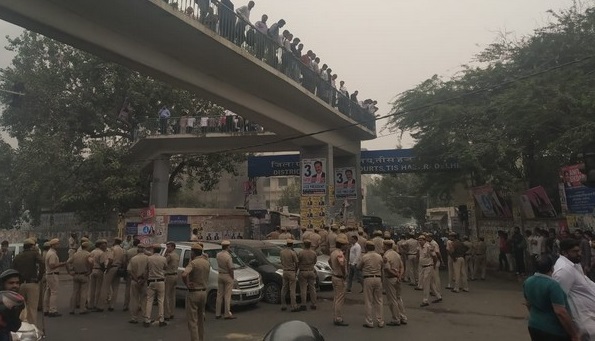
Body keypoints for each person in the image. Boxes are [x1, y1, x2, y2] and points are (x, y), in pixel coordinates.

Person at [524, 255, 579, 341]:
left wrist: (537, 317)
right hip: (553, 330)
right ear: (552, 268)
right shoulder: (553, 285)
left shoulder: (528, 281)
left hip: (534, 325)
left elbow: (528, 304)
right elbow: (560, 312)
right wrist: (574, 334)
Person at [553, 239, 595, 339]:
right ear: (564, 252)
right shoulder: (563, 270)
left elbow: (586, 283)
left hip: (590, 316)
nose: (579, 254)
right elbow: (559, 303)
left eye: (579, 250)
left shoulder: (574, 264)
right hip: (583, 321)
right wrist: (573, 332)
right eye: (575, 251)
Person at [182, 243, 210, 341]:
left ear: (193, 252)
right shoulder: (207, 262)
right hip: (204, 292)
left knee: (193, 321)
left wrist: (187, 284)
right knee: (201, 319)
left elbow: (184, 274)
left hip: (194, 293)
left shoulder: (193, 263)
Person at [11, 239, 43, 325]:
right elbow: (42, 262)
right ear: (32, 246)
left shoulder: (18, 256)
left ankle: (21, 327)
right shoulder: (34, 254)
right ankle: (32, 328)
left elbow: (13, 270)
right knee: (32, 308)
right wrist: (39, 277)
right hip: (32, 282)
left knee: (21, 308)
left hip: (20, 284)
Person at [358, 241, 384, 328]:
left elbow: (359, 267)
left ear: (366, 248)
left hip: (368, 278)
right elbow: (382, 266)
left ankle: (369, 321)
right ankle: (380, 321)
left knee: (368, 301)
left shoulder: (364, 257)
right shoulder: (379, 256)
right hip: (378, 278)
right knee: (379, 301)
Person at [382, 239, 407, 326]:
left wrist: (395, 275)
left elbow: (387, 269)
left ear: (386, 246)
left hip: (390, 278)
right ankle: (403, 317)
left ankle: (396, 319)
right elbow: (402, 266)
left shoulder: (386, 255)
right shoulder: (397, 254)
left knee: (392, 300)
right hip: (398, 279)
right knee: (399, 298)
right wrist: (400, 275)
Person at [144, 244, 168, 327]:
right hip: (161, 281)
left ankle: (147, 319)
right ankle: (161, 319)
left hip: (151, 281)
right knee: (161, 300)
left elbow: (146, 269)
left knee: (149, 300)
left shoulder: (149, 258)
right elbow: (165, 267)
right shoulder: (163, 259)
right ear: (160, 250)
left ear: (153, 250)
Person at [99, 237, 125, 311]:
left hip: (112, 267)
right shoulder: (122, 250)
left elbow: (110, 260)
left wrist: (107, 269)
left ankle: (101, 306)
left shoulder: (113, 249)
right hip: (118, 268)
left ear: (115, 241)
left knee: (105, 286)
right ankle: (112, 305)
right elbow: (124, 261)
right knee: (115, 288)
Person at [66, 241, 92, 315]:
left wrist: (69, 271)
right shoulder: (88, 254)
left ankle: (72, 309)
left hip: (76, 274)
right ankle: (82, 309)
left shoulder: (75, 254)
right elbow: (91, 262)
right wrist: (90, 270)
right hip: (84, 275)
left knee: (75, 292)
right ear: (87, 247)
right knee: (83, 293)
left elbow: (67, 262)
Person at [329, 234, 349, 326]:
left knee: (336, 298)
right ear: (341, 245)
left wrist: (334, 268)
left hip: (334, 276)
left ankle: (335, 316)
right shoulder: (340, 254)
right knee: (339, 299)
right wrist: (344, 274)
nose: (346, 246)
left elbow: (329, 261)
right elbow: (341, 264)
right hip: (339, 277)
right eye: (345, 244)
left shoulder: (333, 252)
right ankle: (338, 318)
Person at [43, 238, 65, 317]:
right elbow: (52, 265)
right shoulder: (52, 254)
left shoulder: (50, 252)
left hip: (49, 274)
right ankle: (53, 310)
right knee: (54, 292)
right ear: (54, 245)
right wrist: (61, 264)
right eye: (57, 244)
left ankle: (46, 309)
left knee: (48, 291)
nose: (58, 245)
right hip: (52, 273)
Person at [418, 235, 442, 307]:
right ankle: (438, 296)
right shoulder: (420, 247)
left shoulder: (428, 247)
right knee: (431, 284)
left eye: (421, 240)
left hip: (429, 267)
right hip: (423, 267)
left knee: (426, 283)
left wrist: (434, 265)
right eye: (419, 240)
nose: (420, 241)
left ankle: (425, 300)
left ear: (425, 240)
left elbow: (434, 257)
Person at [127, 244, 148, 324]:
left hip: (134, 281)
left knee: (134, 299)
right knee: (144, 299)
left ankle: (134, 318)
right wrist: (143, 280)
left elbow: (129, 271)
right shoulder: (147, 259)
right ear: (144, 250)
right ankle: (145, 317)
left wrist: (136, 279)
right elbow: (148, 271)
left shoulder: (133, 259)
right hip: (144, 282)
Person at [215, 240, 236, 319]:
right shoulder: (228, 256)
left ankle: (218, 313)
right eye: (229, 246)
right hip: (227, 275)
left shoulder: (218, 254)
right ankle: (227, 314)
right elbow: (231, 268)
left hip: (220, 274)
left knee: (219, 294)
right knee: (227, 296)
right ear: (227, 247)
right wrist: (232, 277)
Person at [279, 239, 299, 312]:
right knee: (292, 290)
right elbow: (297, 263)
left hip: (285, 271)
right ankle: (293, 306)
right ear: (292, 245)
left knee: (284, 288)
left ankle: (283, 305)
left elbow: (281, 261)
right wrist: (295, 271)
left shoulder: (282, 252)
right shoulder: (292, 253)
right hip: (291, 271)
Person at [297, 240, 317, 311]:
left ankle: (303, 304)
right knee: (312, 288)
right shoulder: (313, 253)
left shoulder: (301, 253)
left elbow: (298, 262)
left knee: (303, 289)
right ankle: (314, 304)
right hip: (311, 271)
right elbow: (315, 262)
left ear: (304, 245)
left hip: (303, 271)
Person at [88, 239, 107, 312]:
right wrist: (103, 269)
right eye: (103, 245)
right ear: (100, 245)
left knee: (92, 288)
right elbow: (102, 263)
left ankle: (90, 304)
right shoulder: (101, 253)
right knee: (98, 288)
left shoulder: (92, 252)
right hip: (99, 270)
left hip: (93, 270)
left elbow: (90, 261)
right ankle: (97, 304)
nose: (104, 246)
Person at [164, 242, 180, 321]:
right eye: (167, 247)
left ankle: (167, 314)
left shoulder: (169, 255)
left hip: (169, 275)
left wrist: (165, 254)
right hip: (175, 275)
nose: (168, 248)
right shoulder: (177, 255)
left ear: (173, 247)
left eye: (169, 247)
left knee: (166, 295)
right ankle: (172, 313)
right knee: (172, 295)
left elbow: (163, 263)